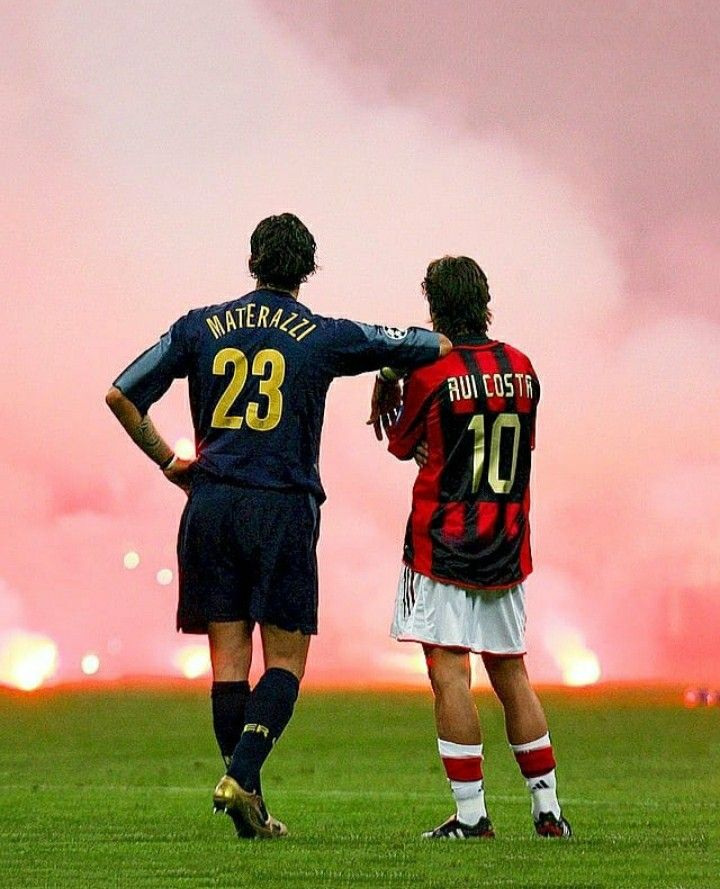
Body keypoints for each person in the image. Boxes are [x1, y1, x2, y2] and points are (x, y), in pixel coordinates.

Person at [105, 213, 451, 839]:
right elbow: (427, 344)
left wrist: (170, 463)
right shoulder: (321, 335)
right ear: (308, 269)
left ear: (253, 262)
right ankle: (241, 778)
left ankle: (251, 805)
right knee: (286, 660)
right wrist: (388, 375)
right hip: (282, 507)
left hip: (210, 505)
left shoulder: (200, 325)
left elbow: (122, 394)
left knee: (229, 664)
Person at [373, 255, 571, 839]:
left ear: (433, 306)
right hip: (507, 542)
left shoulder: (431, 374)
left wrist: (392, 379)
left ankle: (471, 816)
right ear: (484, 299)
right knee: (512, 672)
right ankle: (548, 810)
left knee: (450, 674)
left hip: (443, 543)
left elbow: (402, 441)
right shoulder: (523, 367)